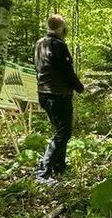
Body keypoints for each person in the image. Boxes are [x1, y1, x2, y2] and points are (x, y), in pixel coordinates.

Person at [34, 14, 84, 184]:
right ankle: (43, 172)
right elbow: (66, 71)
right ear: (62, 29)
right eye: (65, 28)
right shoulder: (58, 44)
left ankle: (59, 167)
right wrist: (80, 87)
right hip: (58, 95)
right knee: (64, 133)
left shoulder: (39, 43)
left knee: (61, 132)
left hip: (44, 93)